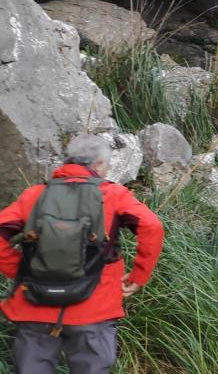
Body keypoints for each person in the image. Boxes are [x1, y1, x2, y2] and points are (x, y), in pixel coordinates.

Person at [0, 134, 165, 374]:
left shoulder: (34, 195)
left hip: (35, 305)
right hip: (93, 308)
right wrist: (138, 277)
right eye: (106, 166)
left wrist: (22, 269)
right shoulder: (113, 194)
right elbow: (153, 227)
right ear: (98, 164)